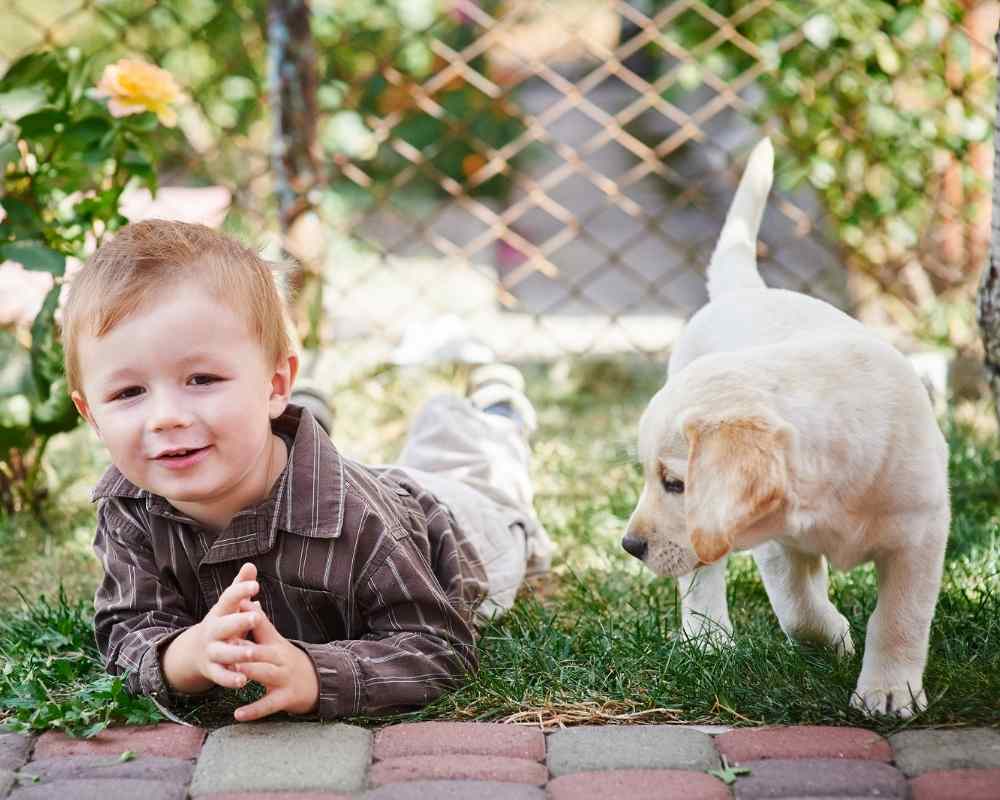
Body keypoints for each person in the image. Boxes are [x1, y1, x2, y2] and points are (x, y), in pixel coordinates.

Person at [62, 220, 553, 723]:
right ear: (92, 416)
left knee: (469, 452)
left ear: (275, 383)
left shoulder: (360, 519)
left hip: (459, 525)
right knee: (409, 455)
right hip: (349, 478)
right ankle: (309, 412)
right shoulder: (129, 507)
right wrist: (181, 656)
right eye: (128, 393)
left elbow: (437, 648)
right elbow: (129, 624)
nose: (166, 416)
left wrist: (315, 673)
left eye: (201, 379)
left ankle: (500, 414)